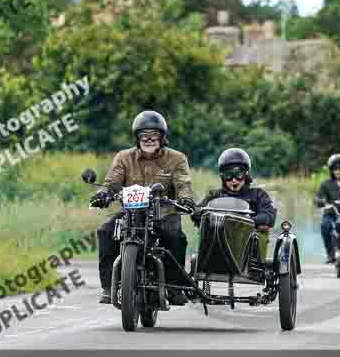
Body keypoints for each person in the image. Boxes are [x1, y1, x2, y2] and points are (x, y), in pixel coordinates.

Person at [89, 110, 196, 305]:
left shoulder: (177, 158)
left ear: (162, 137)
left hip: (164, 213)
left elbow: (183, 183)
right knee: (105, 231)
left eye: (153, 135)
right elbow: (112, 182)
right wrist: (102, 195)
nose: (148, 140)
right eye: (143, 135)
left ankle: (174, 287)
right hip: (131, 212)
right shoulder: (124, 157)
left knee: (175, 237)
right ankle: (108, 287)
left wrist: (186, 199)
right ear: (137, 138)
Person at [191, 148, 277, 257]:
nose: (234, 180)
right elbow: (197, 211)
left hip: (248, 246)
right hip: (216, 243)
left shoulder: (258, 194)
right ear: (222, 177)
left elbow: (269, 216)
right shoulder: (214, 195)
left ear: (246, 175)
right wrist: (198, 213)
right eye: (228, 175)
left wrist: (248, 221)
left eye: (238, 174)